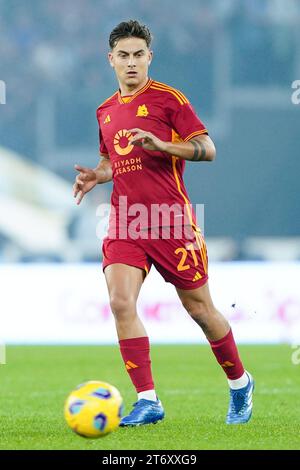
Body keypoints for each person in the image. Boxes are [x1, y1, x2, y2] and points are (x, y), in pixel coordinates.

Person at [73, 19, 254, 426]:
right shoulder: (104, 110)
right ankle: (149, 400)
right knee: (121, 302)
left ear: (149, 57)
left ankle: (240, 383)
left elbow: (208, 149)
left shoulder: (169, 100)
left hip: (171, 220)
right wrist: (97, 175)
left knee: (201, 310)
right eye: (124, 56)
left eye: (139, 55)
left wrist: (163, 144)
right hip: (127, 220)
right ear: (111, 60)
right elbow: (111, 161)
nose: (132, 63)